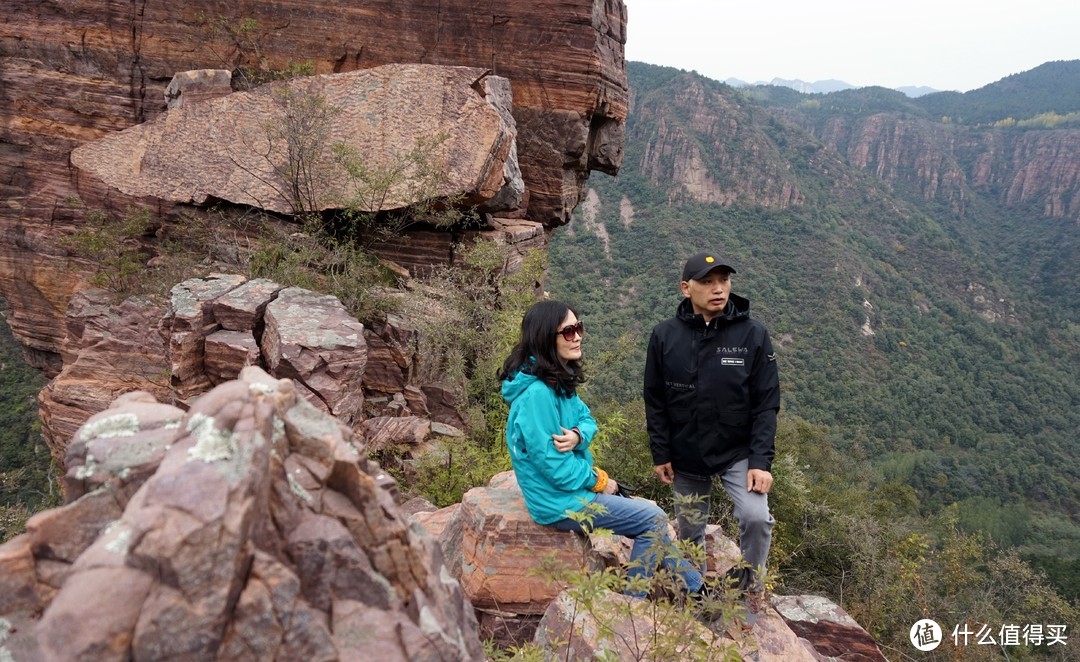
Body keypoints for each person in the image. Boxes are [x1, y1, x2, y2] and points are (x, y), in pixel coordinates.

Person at [499, 300, 705, 599]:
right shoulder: (537, 396)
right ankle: (631, 606)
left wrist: (578, 435)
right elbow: (555, 469)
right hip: (558, 502)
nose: (578, 336)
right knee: (652, 520)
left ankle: (698, 590)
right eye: (568, 331)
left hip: (568, 492)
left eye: (578, 327)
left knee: (652, 519)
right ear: (546, 338)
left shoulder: (556, 381)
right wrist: (600, 481)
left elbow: (587, 419)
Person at [644, 252, 780, 625]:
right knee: (689, 529)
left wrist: (760, 462)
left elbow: (767, 404)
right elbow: (654, 399)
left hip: (737, 452)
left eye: (723, 280)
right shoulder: (665, 335)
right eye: (707, 282)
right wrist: (661, 452)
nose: (718, 288)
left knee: (756, 517)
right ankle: (694, 591)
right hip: (686, 453)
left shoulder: (752, 334)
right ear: (686, 288)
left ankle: (750, 586)